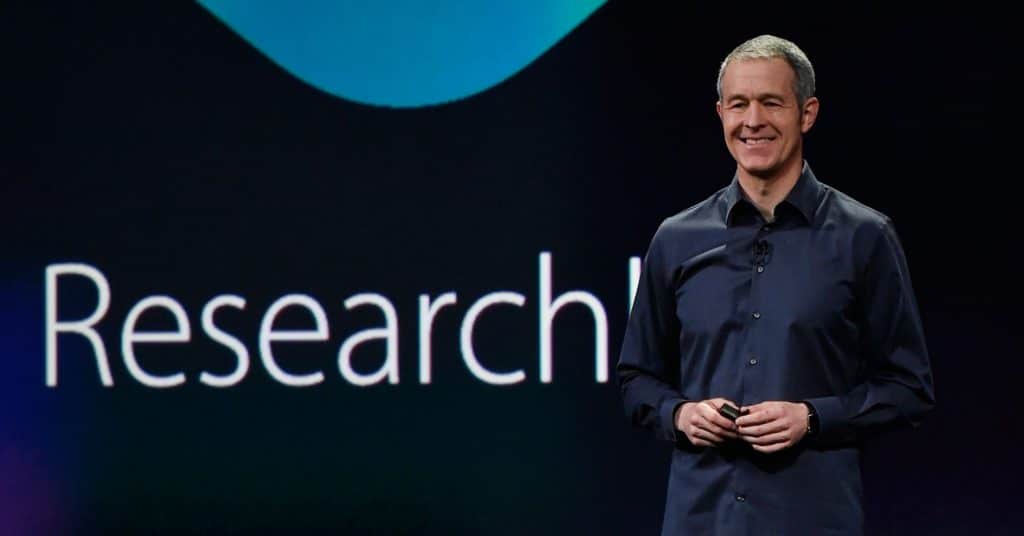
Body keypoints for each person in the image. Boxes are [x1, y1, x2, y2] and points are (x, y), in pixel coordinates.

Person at [616, 34, 935, 535]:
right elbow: (636, 379)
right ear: (720, 113)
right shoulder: (677, 239)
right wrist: (679, 414)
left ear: (807, 114)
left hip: (811, 518)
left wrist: (812, 417)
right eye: (738, 104)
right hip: (701, 519)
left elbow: (909, 388)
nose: (753, 121)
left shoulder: (863, 237)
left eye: (771, 103)